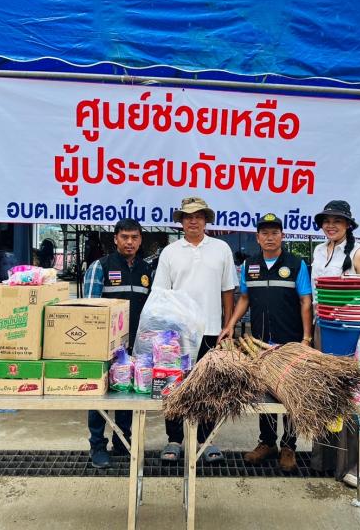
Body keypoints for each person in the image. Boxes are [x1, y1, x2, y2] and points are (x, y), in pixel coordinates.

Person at [219, 213, 313, 472]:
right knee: (264, 392)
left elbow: (305, 301)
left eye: (274, 233)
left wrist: (306, 337)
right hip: (260, 343)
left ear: (282, 236)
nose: (269, 238)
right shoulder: (250, 265)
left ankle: (289, 446)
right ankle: (267, 442)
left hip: (290, 341)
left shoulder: (296, 264)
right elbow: (245, 298)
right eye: (265, 233)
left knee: (290, 392)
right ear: (258, 238)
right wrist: (230, 325)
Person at [153, 197, 236, 464]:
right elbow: (161, 293)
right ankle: (174, 439)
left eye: (198, 216)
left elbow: (228, 290)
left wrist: (227, 325)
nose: (193, 221)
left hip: (211, 330)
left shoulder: (221, 249)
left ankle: (205, 440)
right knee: (174, 386)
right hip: (176, 333)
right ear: (181, 221)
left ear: (205, 220)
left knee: (208, 387)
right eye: (188, 217)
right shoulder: (170, 252)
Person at [310, 200, 360, 488]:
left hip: (350, 332)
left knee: (351, 396)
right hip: (323, 330)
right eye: (327, 221)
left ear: (348, 225)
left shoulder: (357, 253)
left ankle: (352, 465)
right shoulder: (319, 251)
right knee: (325, 393)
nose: (331, 226)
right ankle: (326, 460)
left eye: (337, 221)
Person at [82, 218, 152, 468]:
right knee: (99, 396)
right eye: (124, 237)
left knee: (128, 394)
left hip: (134, 347)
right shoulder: (100, 267)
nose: (129, 242)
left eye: (134, 237)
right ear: (115, 239)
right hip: (104, 349)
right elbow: (89, 311)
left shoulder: (147, 270)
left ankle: (122, 441)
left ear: (140, 240)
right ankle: (97, 445)